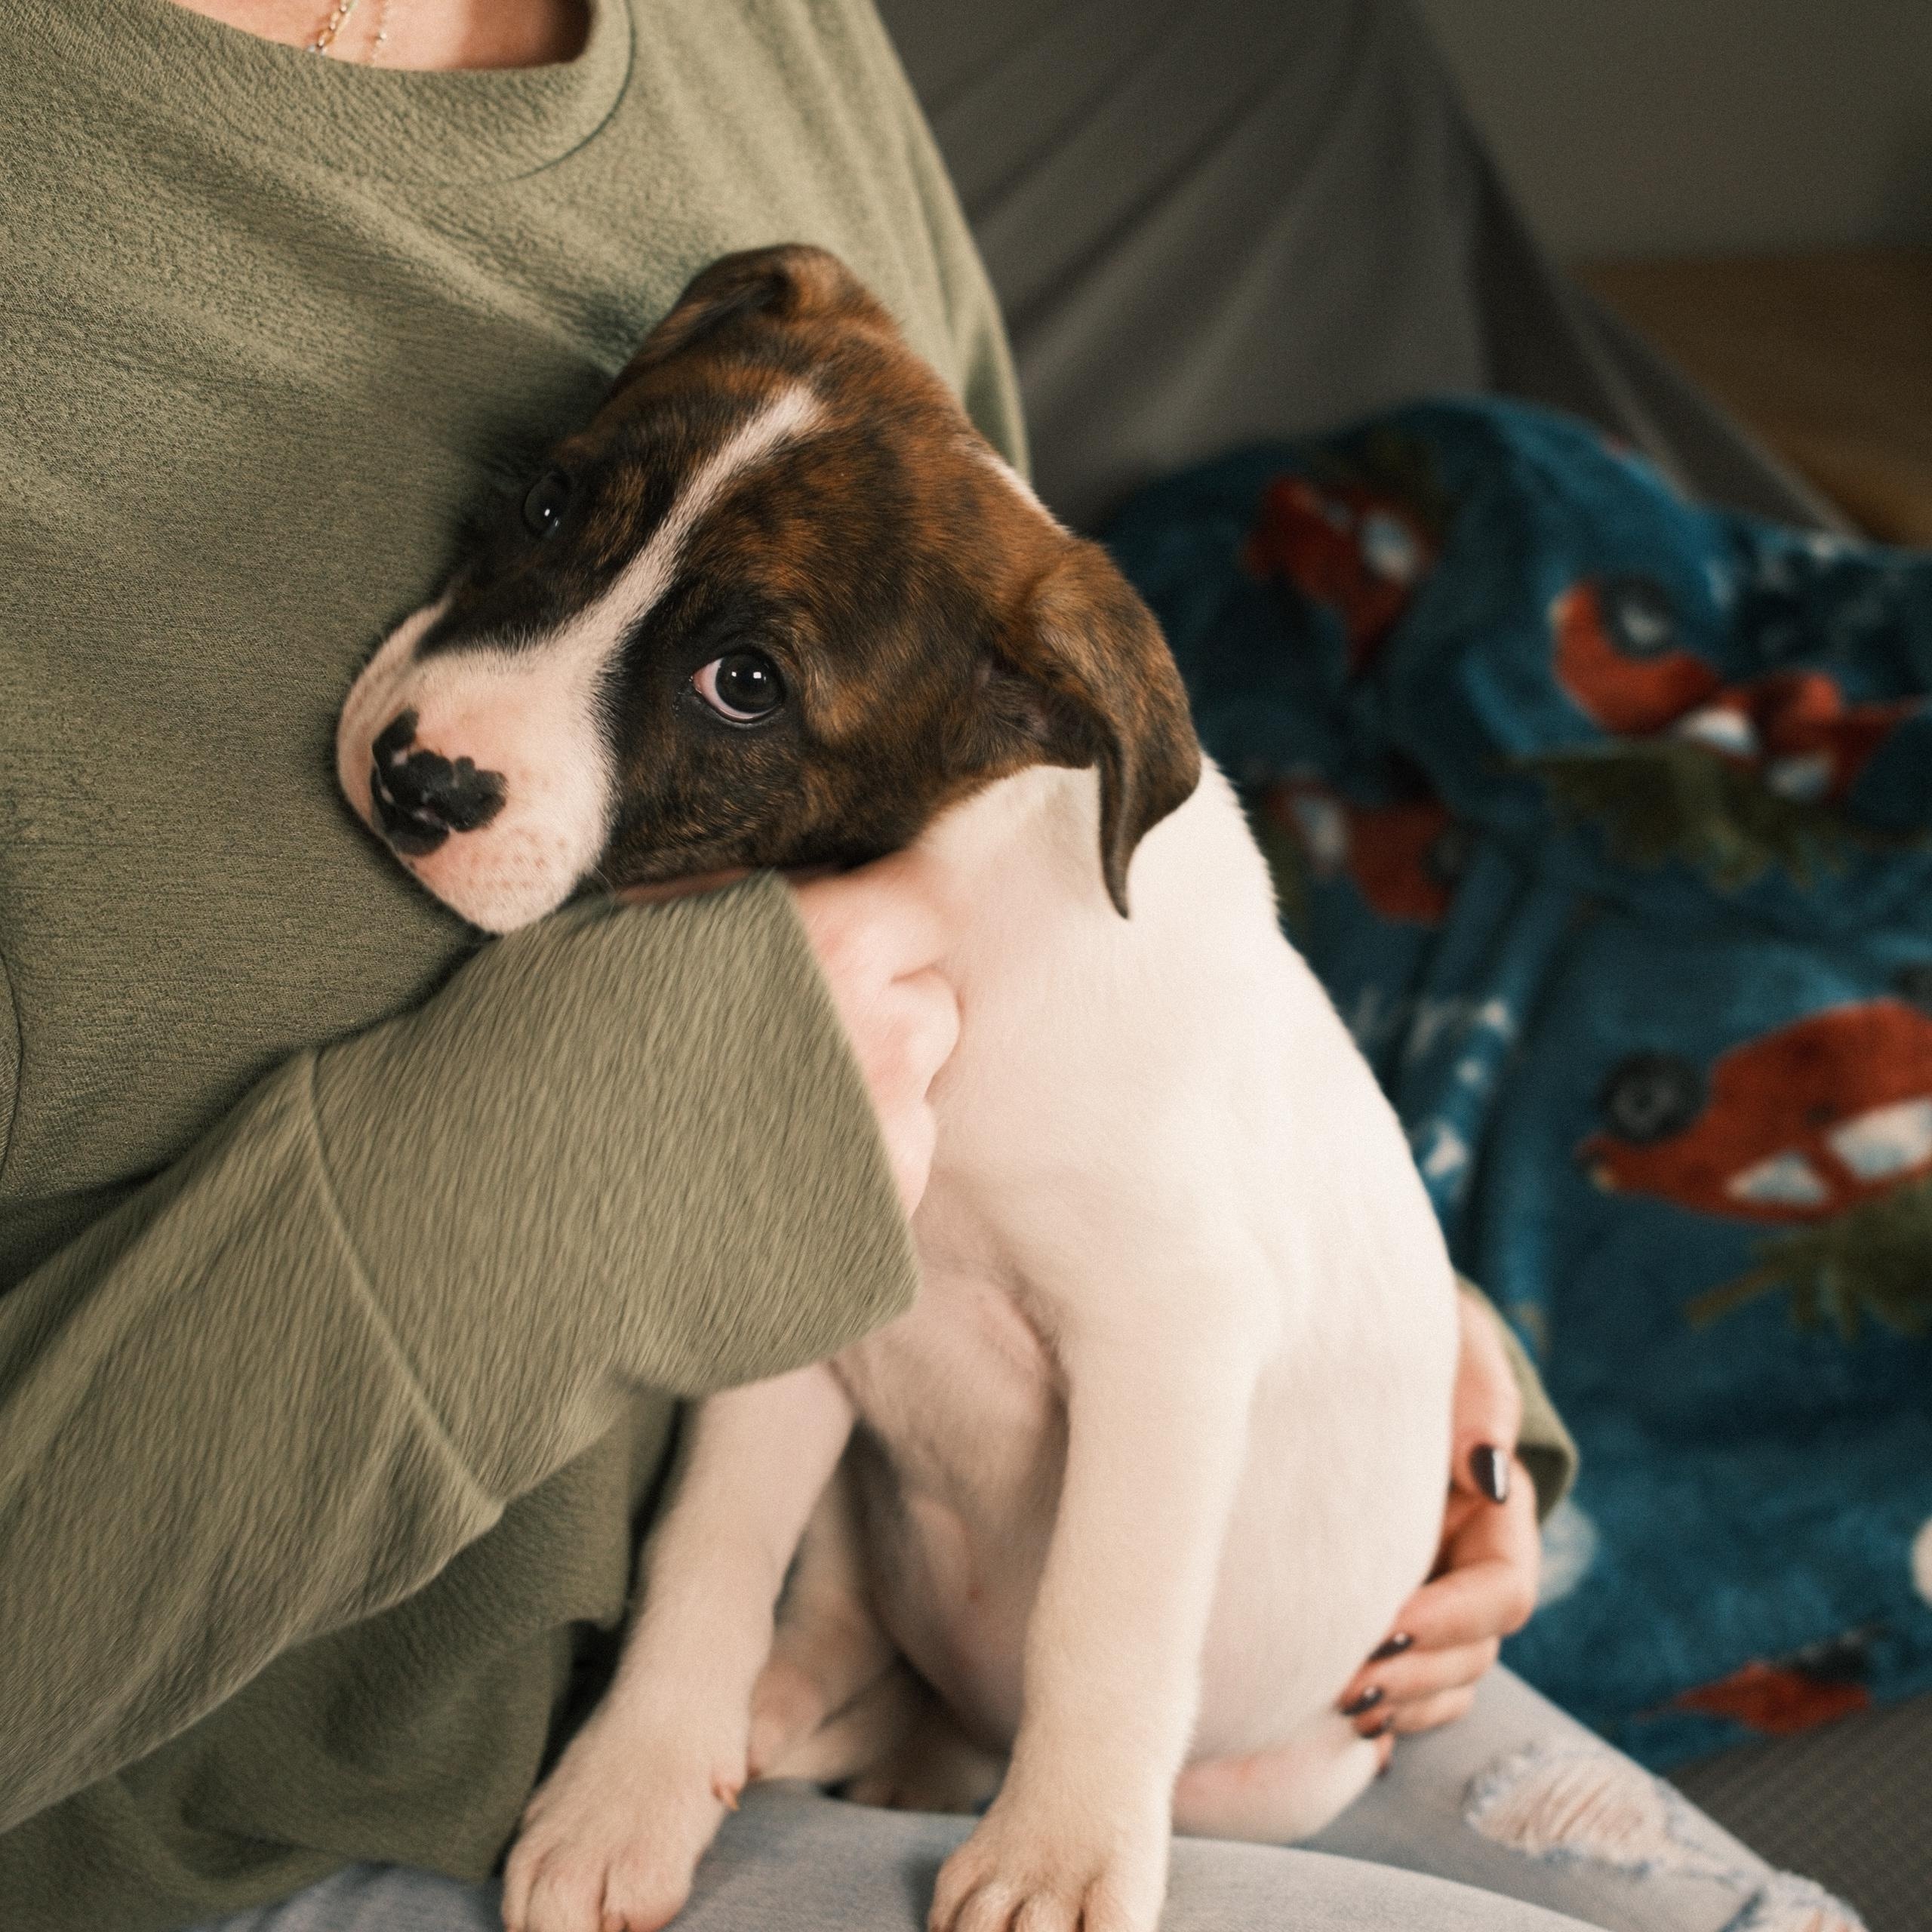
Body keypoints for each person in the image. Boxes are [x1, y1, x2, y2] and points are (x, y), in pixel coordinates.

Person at [0, 2, 1853, 1930]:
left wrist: (1371, 1323)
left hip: (1033, 1589)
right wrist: (515, 1186)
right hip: (285, 1804)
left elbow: (1004, 857)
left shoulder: (767, 38)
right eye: (552, 513)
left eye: (732, 678)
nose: (458, 721)